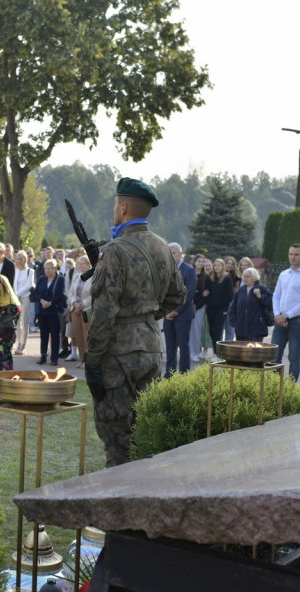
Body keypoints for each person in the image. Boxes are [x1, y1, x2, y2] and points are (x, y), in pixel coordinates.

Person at [84, 178, 185, 467]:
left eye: (116, 203)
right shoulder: (162, 247)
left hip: (119, 355)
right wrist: (146, 317)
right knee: (144, 430)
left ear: (124, 206)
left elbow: (103, 312)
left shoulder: (116, 250)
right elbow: (177, 296)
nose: (114, 209)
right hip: (153, 347)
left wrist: (92, 360)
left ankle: (118, 500)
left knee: (116, 436)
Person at [272, 243, 300, 381]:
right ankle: (275, 389)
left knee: (294, 357)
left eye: (296, 254)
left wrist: (287, 315)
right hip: (280, 321)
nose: (293, 257)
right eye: (291, 254)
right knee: (274, 356)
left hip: (298, 322)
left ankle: (291, 391)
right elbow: (276, 295)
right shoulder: (284, 274)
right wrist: (277, 315)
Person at [162, 242, 197, 376]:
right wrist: (165, 311)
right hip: (167, 314)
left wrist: (176, 311)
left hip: (183, 315)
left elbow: (189, 294)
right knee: (170, 346)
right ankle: (169, 374)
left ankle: (184, 374)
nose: (170, 255)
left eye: (173, 252)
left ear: (180, 254)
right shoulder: (166, 270)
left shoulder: (189, 270)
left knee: (183, 345)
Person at [31, 257, 66, 365]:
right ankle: (43, 355)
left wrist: (50, 302)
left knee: (55, 335)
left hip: (54, 311)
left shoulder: (60, 279)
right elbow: (35, 293)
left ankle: (54, 358)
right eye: (45, 268)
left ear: (55, 268)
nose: (47, 270)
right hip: (42, 311)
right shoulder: (41, 279)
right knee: (44, 334)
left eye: (49, 268)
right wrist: (41, 301)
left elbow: (61, 294)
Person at [228, 267, 274, 342]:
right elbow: (232, 309)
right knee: (242, 353)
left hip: (257, 330)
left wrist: (261, 296)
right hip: (241, 331)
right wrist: (235, 322)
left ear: (254, 277)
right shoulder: (240, 291)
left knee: (254, 353)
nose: (245, 278)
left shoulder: (262, 289)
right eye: (244, 276)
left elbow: (271, 303)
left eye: (248, 276)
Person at [68, 254, 94, 367]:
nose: (79, 266)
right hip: (75, 309)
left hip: (86, 309)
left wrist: (82, 304)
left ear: (88, 265)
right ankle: (81, 358)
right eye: (78, 264)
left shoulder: (94, 277)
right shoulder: (76, 277)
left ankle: (88, 360)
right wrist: (74, 303)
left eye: (82, 264)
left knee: (86, 335)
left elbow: (93, 294)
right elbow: (70, 292)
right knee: (77, 334)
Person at [202, 258, 234, 347]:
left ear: (223, 266)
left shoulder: (227, 278)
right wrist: (205, 296)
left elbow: (230, 295)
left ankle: (218, 354)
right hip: (211, 309)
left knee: (217, 331)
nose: (216, 267)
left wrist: (221, 304)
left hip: (221, 309)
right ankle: (216, 352)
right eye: (215, 265)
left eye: (219, 265)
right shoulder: (210, 278)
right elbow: (206, 291)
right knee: (212, 331)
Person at [13, 249, 35, 354]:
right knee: (18, 322)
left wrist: (17, 294)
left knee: (25, 321)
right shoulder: (15, 271)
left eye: (22, 259)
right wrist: (15, 295)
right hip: (16, 298)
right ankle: (18, 343)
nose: (20, 261)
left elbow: (29, 285)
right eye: (18, 259)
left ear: (25, 259)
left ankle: (23, 345)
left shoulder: (30, 271)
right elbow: (13, 283)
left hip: (25, 297)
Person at [224, 255, 241, 341]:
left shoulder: (236, 276)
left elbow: (236, 289)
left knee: (230, 326)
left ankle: (229, 342)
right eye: (228, 263)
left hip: (232, 301)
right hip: (221, 302)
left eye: (232, 264)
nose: (230, 265)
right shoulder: (221, 273)